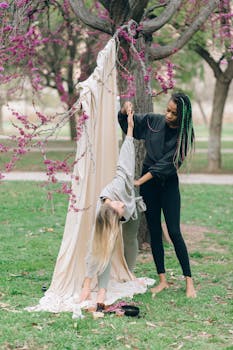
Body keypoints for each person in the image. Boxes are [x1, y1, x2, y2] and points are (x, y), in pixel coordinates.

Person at [118, 92, 196, 298]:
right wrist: (124, 110)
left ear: (183, 116)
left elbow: (168, 164)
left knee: (174, 231)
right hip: (148, 187)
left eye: (173, 113)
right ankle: (162, 280)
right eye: (168, 110)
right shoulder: (154, 121)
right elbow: (130, 125)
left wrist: (139, 181)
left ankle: (189, 281)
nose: (168, 115)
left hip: (167, 185)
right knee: (153, 229)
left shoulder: (184, 136)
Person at [79, 109, 146, 307]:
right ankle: (99, 287)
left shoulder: (116, 187)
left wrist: (130, 131)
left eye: (118, 205)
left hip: (134, 206)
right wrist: (88, 282)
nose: (120, 204)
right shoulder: (104, 218)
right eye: (119, 207)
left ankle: (129, 273)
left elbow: (125, 161)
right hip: (114, 218)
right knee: (103, 248)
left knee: (130, 239)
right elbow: (96, 252)